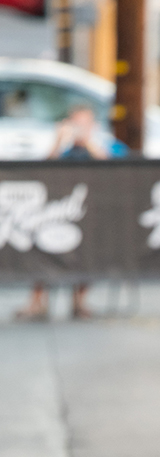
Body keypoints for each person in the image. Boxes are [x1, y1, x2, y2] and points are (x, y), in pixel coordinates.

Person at [15, 105, 128, 321]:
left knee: (91, 250)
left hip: (92, 215)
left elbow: (116, 168)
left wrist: (89, 141)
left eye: (84, 124)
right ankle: (37, 301)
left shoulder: (106, 145)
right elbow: (42, 169)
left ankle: (80, 300)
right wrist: (59, 141)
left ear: (93, 126)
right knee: (42, 245)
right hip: (57, 213)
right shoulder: (64, 150)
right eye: (76, 124)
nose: (79, 129)